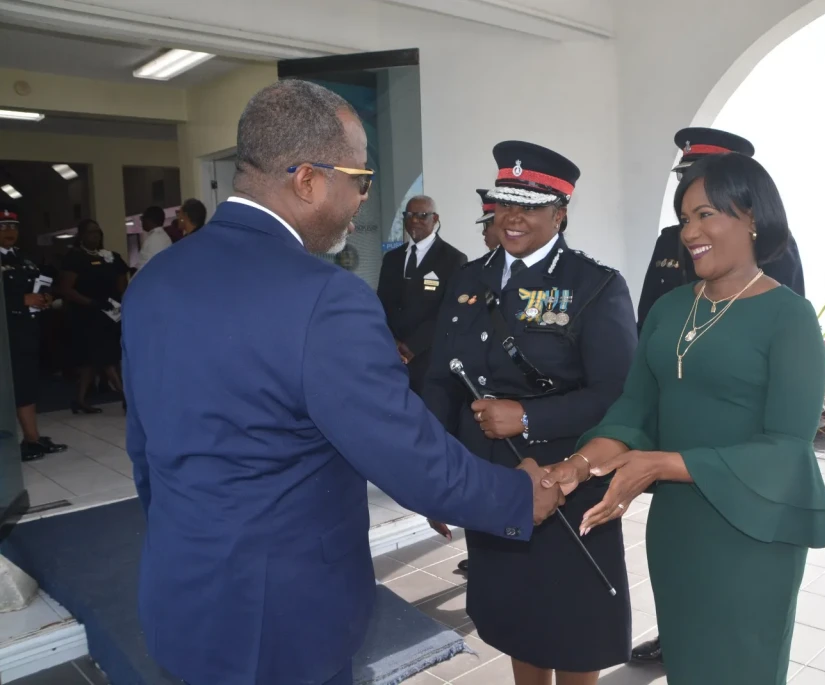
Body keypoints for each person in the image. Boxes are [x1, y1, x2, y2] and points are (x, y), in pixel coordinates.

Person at [120, 79, 564, 685]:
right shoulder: (324, 298)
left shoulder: (155, 280)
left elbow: (144, 452)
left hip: (180, 592)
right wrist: (517, 495)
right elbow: (406, 455)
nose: (362, 199)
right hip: (282, 621)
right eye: (361, 179)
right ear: (307, 180)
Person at [544, 153, 825, 684]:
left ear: (752, 217)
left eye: (706, 215)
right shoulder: (671, 308)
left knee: (742, 668)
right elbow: (634, 410)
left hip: (753, 530)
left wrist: (662, 464)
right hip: (679, 528)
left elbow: (788, 449)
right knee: (687, 664)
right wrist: (580, 464)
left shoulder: (789, 317)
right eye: (684, 218)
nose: (689, 232)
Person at [422, 141, 636, 685]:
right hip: (489, 480)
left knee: (573, 627)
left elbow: (618, 395)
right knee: (517, 618)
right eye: (504, 204)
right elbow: (440, 382)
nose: (512, 217)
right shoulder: (468, 279)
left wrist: (528, 418)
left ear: (559, 214)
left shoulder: (595, 286)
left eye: (531, 206)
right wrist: (435, 476)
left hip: (565, 480)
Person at [636, 128, 806, 332]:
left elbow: (785, 321)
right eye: (685, 176)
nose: (691, 185)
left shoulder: (770, 241)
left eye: (705, 178)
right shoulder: (670, 239)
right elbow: (647, 322)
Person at [377, 195, 467, 395]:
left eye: (422, 215)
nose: (414, 220)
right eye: (409, 215)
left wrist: (412, 346)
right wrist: (392, 342)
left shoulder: (453, 259)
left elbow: (450, 311)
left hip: (429, 359)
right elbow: (381, 303)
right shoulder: (391, 258)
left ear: (435, 219)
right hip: (392, 356)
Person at [0, 208, 68, 461]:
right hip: (5, 335)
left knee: (26, 385)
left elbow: (35, 287)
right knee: (12, 389)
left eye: (13, 227)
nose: (10, 232)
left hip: (26, 332)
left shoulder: (22, 258)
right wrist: (21, 300)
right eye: (3, 227)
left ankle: (32, 439)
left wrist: (44, 298)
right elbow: (17, 296)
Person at [59, 219, 129, 414]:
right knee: (105, 357)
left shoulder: (111, 256)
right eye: (91, 232)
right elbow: (66, 289)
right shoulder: (75, 258)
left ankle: (79, 400)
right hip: (86, 315)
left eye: (98, 232)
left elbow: (122, 284)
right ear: (81, 235)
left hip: (111, 313)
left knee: (92, 360)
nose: (96, 235)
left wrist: (122, 303)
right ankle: (127, 397)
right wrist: (91, 303)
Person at [135, 206, 171, 271]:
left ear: (149, 220)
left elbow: (149, 267)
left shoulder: (155, 240)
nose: (142, 221)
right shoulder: (162, 236)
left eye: (142, 218)